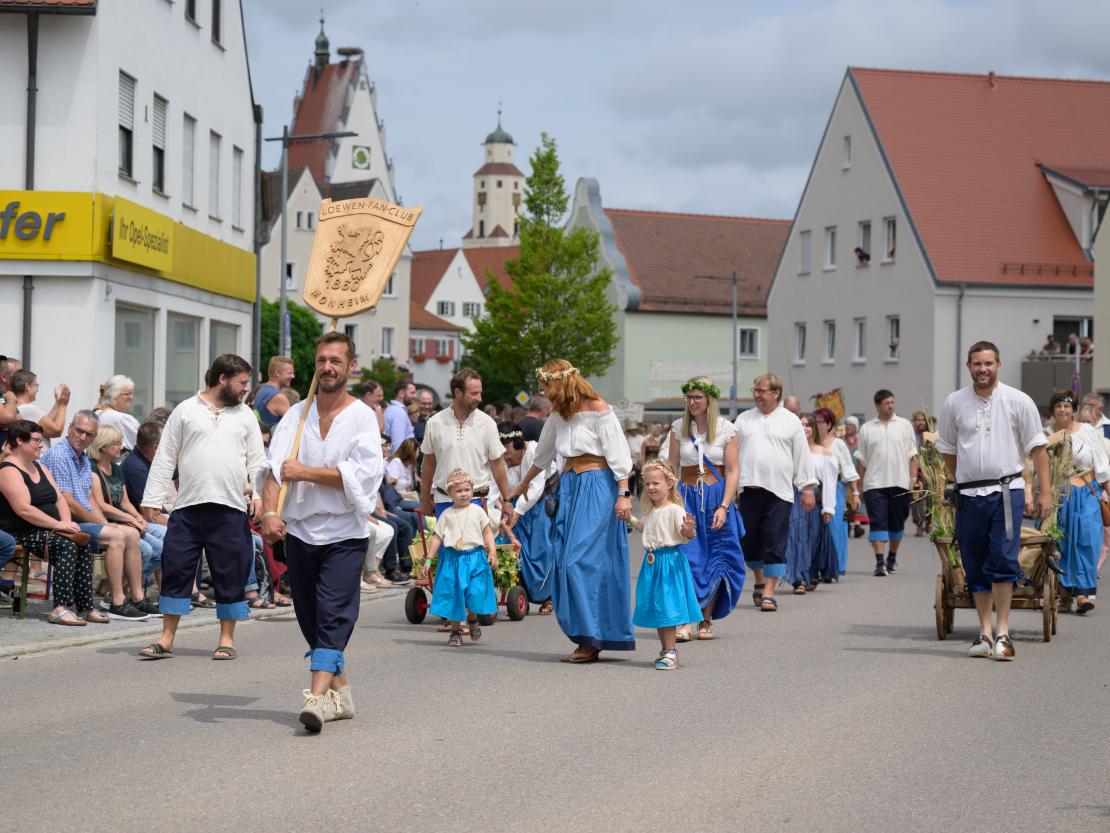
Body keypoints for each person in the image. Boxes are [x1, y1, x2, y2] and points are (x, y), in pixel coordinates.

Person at [259, 332, 383, 732]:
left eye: (336, 361)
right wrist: (269, 512)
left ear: (350, 367)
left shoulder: (362, 417)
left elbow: (363, 478)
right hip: (299, 533)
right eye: (322, 360)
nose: (328, 367)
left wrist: (306, 472)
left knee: (333, 614)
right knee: (310, 617)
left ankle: (315, 698)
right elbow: (274, 469)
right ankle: (341, 695)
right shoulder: (296, 415)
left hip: (344, 533)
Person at [137, 354, 265, 661]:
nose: (246, 389)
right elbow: (166, 456)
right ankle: (166, 638)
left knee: (230, 572)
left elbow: (258, 461)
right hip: (189, 507)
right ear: (222, 379)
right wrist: (152, 499)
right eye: (242, 383)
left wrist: (260, 496)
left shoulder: (245, 415)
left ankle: (226, 638)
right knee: (177, 568)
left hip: (231, 507)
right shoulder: (185, 411)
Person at [511, 359, 635, 663]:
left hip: (597, 486)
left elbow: (619, 455)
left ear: (561, 384)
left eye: (546, 387)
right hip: (569, 487)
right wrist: (523, 485)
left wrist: (624, 494)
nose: (544, 393)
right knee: (566, 561)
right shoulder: (559, 415)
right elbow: (543, 454)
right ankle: (588, 634)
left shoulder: (598, 408)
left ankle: (592, 637)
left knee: (579, 561)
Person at [936, 341, 1051, 661]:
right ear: (968, 366)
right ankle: (983, 632)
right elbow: (947, 447)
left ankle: (1003, 633)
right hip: (970, 494)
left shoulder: (1018, 401)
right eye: (976, 364)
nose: (982, 369)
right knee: (974, 563)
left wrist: (1045, 493)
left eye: (988, 363)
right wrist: (961, 480)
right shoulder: (954, 402)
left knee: (1002, 559)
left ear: (998, 365)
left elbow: (1038, 450)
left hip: (1007, 492)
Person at [42, 411, 150, 619]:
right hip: (62, 523)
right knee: (117, 536)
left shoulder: (81, 457)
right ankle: (116, 601)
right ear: (70, 427)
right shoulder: (60, 455)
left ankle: (137, 597)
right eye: (79, 431)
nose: (82, 437)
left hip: (79, 521)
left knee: (131, 534)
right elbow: (70, 503)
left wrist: (106, 524)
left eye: (88, 434)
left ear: (94, 437)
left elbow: (88, 499)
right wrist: (109, 527)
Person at [0, 420, 104, 624]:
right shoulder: (8, 470)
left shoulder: (39, 466)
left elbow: (59, 498)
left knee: (82, 542)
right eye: (37, 441)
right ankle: (60, 607)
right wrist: (57, 525)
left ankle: (85, 607)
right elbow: (23, 509)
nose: (41, 445)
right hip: (22, 530)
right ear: (20, 440)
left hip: (47, 528)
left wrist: (67, 523)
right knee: (67, 546)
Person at [666, 376, 745, 640]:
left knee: (714, 557)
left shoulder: (727, 429)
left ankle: (706, 620)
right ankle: (687, 620)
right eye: (689, 397)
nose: (692, 402)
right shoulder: (678, 428)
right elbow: (672, 468)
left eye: (698, 397)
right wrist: (669, 502)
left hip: (715, 498)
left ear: (709, 400)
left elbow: (733, 471)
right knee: (688, 557)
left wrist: (724, 505)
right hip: (687, 496)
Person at [734, 373, 817, 612]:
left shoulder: (790, 421)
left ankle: (769, 591)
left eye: (761, 391)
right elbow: (731, 453)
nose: (757, 395)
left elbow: (802, 456)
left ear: (776, 393)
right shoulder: (743, 419)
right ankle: (759, 579)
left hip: (779, 491)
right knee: (748, 542)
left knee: (774, 541)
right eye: (755, 390)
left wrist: (807, 488)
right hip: (749, 490)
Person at [419, 368, 515, 524]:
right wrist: (424, 498)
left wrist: (507, 500)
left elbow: (497, 464)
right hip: (444, 501)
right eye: (474, 393)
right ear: (458, 393)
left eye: (480, 393)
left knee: (474, 549)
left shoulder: (488, 423)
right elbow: (428, 464)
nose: (479, 398)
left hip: (476, 501)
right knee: (446, 548)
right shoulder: (435, 422)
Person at [631, 459, 700, 670]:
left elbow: (685, 535)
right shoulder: (651, 511)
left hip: (669, 563)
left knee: (668, 606)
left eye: (656, 483)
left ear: (669, 484)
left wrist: (689, 529)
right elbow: (648, 529)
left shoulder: (675, 510)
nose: (651, 487)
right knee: (658, 606)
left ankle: (671, 652)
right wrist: (631, 520)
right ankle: (665, 649)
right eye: (648, 483)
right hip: (653, 562)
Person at [1047, 391, 1110, 614]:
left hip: (1086, 492)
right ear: (1053, 410)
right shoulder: (1047, 435)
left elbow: (1102, 465)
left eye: (1067, 406)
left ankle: (1083, 594)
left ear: (1073, 410)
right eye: (1058, 406)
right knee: (1061, 543)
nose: (1063, 410)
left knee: (1087, 541)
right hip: (1060, 495)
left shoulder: (1088, 432)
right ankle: (1064, 596)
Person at [424, 468, 499, 647]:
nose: (463, 494)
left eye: (466, 490)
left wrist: (493, 552)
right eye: (459, 491)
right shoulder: (446, 514)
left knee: (475, 592)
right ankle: (455, 632)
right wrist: (428, 559)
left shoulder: (477, 510)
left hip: (475, 558)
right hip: (453, 559)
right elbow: (437, 538)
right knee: (455, 596)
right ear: (450, 493)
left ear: (472, 490)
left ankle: (472, 618)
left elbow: (487, 532)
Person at [89, 425, 166, 591]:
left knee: (163, 549)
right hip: (109, 522)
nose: (122, 446)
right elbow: (102, 506)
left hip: (125, 520)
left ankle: (123, 585)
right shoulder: (93, 469)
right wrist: (132, 519)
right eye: (116, 443)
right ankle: (120, 588)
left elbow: (124, 501)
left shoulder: (115, 467)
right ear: (103, 446)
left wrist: (137, 517)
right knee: (146, 551)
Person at [856, 389, 918, 576]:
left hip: (900, 482)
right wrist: (857, 489)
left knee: (897, 524)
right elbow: (861, 460)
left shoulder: (905, 425)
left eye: (892, 402)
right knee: (878, 523)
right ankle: (880, 562)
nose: (890, 406)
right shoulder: (867, 428)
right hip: (874, 484)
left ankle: (892, 556)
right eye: (886, 403)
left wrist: (914, 480)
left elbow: (912, 455)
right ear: (877, 406)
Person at [497, 420, 555, 614]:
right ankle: (522, 593)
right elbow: (504, 484)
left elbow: (537, 486)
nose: (506, 458)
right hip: (521, 502)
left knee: (541, 547)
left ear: (520, 446)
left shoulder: (536, 451)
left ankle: (548, 597)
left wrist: (518, 510)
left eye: (508, 453)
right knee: (516, 545)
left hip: (545, 497)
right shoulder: (505, 459)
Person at [813, 407, 860, 574]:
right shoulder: (810, 443)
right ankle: (817, 565)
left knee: (834, 526)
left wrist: (854, 493)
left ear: (829, 424)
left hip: (836, 488)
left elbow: (848, 469)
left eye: (820, 422)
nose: (817, 425)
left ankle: (835, 566)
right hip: (813, 489)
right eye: (815, 421)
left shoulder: (838, 444)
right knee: (814, 528)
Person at [803, 413, 840, 586]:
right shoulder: (791, 451)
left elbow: (830, 482)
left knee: (814, 537)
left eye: (808, 425)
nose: (805, 429)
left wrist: (828, 508)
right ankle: (799, 574)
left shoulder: (824, 452)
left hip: (816, 500)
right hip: (795, 499)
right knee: (798, 538)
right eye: (801, 425)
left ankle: (812, 572)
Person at [1078, 405, 1110, 579]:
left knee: (1101, 539)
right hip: (1079, 493)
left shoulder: (1104, 443)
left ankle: (1092, 571)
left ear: (1096, 422)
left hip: (1100, 494)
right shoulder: (1073, 439)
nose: (1085, 425)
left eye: (1088, 422)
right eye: (1082, 421)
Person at [9, 369, 69, 444]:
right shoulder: (28, 409)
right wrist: (63, 405)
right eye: (36, 385)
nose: (37, 390)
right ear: (27, 386)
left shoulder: (16, 408)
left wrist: (58, 403)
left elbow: (45, 424)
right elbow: (56, 431)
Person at [95, 375, 141, 451]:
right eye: (126, 394)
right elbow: (142, 443)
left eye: (131, 393)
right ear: (113, 396)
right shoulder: (122, 419)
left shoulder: (97, 412)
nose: (131, 397)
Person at [252, 356, 296, 432]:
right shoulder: (278, 397)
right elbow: (295, 425)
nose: (293, 376)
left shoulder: (261, 389)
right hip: (272, 442)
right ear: (277, 373)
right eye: (289, 373)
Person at [384, 379, 416, 454]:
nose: (415, 396)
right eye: (412, 393)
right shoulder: (398, 412)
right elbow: (398, 444)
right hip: (398, 462)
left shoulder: (394, 410)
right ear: (401, 393)